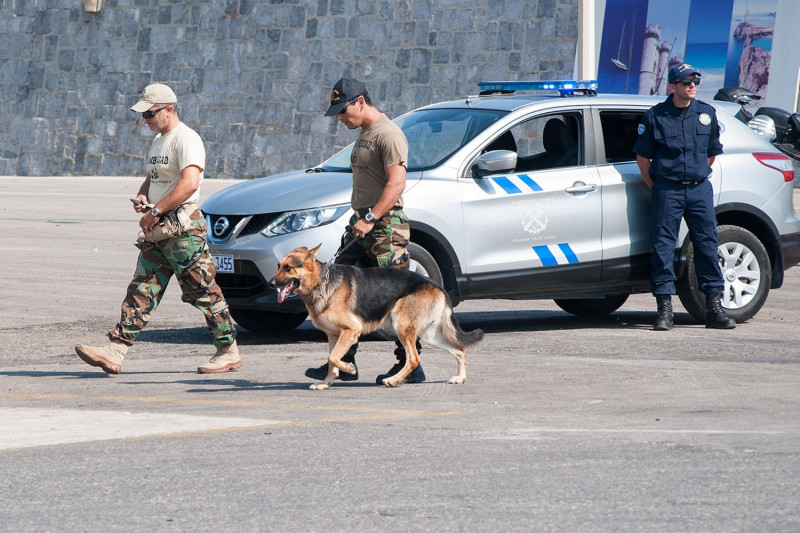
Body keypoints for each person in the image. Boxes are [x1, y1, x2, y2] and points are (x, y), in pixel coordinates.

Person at [75, 83, 242, 374]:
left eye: (150, 114)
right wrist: (144, 197)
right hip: (159, 231)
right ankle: (115, 351)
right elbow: (154, 177)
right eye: (143, 115)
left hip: (184, 233)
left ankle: (228, 350)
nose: (146, 120)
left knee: (203, 292)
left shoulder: (186, 139)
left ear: (169, 109)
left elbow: (189, 183)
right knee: (141, 289)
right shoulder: (159, 140)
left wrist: (156, 210)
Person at [304, 77, 426, 384]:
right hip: (362, 225)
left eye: (343, 111)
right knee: (339, 290)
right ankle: (343, 363)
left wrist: (371, 217)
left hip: (385, 228)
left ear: (360, 101)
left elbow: (396, 183)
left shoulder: (389, 134)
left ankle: (412, 366)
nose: (341, 119)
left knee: (397, 294)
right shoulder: (365, 133)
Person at [633, 63, 736, 331]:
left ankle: (714, 308)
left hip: (699, 189)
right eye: (686, 82)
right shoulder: (656, 117)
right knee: (663, 247)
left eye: (695, 82)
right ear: (673, 87)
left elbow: (711, 153)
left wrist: (696, 176)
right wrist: (657, 187)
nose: (692, 86)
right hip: (667, 189)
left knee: (706, 245)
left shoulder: (706, 113)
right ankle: (665, 310)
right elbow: (643, 160)